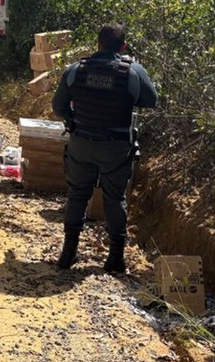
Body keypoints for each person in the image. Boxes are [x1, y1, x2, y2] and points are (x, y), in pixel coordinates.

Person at [51, 23, 157, 274]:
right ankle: (115, 260)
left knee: (77, 194)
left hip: (81, 143)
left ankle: (67, 254)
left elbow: (58, 107)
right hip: (115, 148)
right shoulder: (132, 71)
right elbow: (151, 100)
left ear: (97, 43)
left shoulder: (77, 69)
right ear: (122, 47)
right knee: (114, 198)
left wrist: (73, 119)